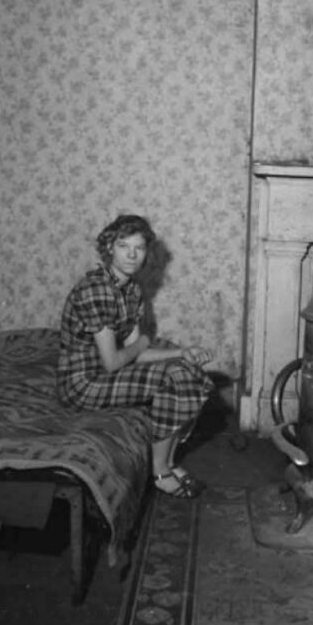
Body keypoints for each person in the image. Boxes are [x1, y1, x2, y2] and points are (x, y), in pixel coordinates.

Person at [57, 214, 215, 499]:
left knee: (186, 368)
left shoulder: (131, 290)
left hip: (106, 375)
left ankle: (168, 461)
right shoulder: (96, 289)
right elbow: (114, 361)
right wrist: (143, 342)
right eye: (123, 245)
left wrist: (182, 352)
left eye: (139, 248)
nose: (131, 254)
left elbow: (134, 354)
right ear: (108, 248)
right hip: (82, 385)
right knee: (175, 376)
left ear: (146, 253)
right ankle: (160, 471)